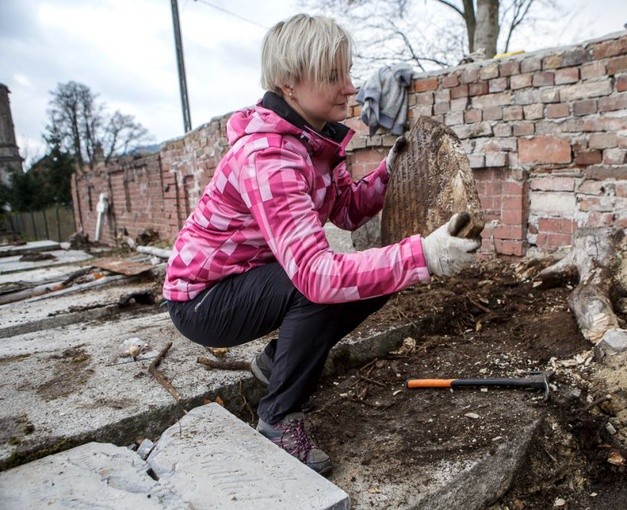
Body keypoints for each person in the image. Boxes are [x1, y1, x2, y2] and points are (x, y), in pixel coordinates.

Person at [162, 13, 481, 475]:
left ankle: (277, 364)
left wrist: (391, 171)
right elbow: (313, 275)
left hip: (249, 279)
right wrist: (424, 254)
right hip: (202, 298)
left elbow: (348, 210)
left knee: (375, 279)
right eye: (334, 76)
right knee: (315, 286)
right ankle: (276, 418)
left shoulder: (314, 144)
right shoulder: (268, 156)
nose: (350, 87)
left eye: (347, 73)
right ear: (290, 84)